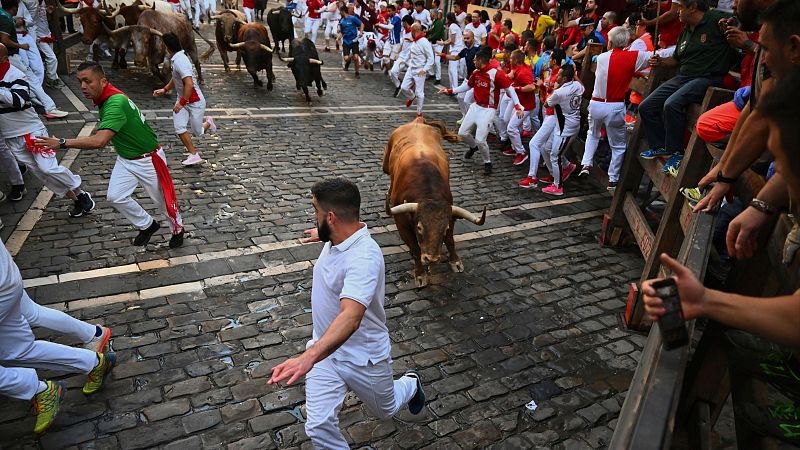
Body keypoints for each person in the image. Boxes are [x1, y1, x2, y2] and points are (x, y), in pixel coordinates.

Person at [268, 178, 426, 450]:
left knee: (385, 410)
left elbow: (351, 318)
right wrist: (324, 233)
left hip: (362, 359)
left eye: (316, 211)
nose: (314, 215)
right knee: (317, 426)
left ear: (330, 217)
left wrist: (309, 357)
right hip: (326, 352)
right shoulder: (339, 235)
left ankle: (411, 384)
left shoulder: (364, 258)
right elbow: (344, 236)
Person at [36, 61, 186, 248]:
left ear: (103, 81)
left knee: (163, 201)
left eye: (88, 81)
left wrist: (62, 143)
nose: (83, 87)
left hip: (148, 159)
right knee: (115, 197)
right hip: (126, 157)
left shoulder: (114, 103)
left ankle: (178, 230)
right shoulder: (108, 97)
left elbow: (100, 141)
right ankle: (147, 225)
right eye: (80, 81)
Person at [0, 240, 115, 434]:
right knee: (19, 346)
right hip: (5, 275)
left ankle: (38, 389)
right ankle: (94, 357)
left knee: (20, 341)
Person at [638, 0, 735, 177]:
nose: (678, 12)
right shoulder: (685, 31)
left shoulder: (715, 19)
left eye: (681, 7)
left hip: (707, 77)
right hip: (684, 76)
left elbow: (738, 21)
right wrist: (660, 62)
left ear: (692, 7)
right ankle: (659, 146)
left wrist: (731, 24)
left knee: (672, 104)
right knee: (646, 106)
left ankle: (676, 153)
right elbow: (676, 60)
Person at [0, 44, 95, 217]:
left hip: (31, 132)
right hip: (10, 136)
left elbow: (18, 100)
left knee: (48, 168)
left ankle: (79, 190)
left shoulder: (16, 75)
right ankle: (77, 199)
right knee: (42, 175)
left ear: (4, 59)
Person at [580, 26, 650, 190]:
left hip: (596, 103)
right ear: (626, 42)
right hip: (615, 106)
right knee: (617, 145)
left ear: (610, 42)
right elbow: (656, 56)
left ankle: (586, 163)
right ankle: (613, 178)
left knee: (592, 134)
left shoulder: (601, 57)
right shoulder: (632, 57)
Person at [438, 46, 524, 176]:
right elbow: (467, 86)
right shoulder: (476, 73)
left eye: (475, 60)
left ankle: (487, 162)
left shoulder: (496, 74)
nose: (473, 62)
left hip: (488, 110)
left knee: (480, 139)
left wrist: (517, 105)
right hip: (476, 106)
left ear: (481, 61)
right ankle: (473, 147)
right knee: (462, 133)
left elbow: (510, 88)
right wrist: (450, 90)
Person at [153, 33, 216, 167]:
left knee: (197, 132)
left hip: (195, 102)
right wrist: (165, 89)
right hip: (183, 100)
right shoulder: (176, 59)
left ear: (167, 46)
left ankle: (208, 122)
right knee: (179, 127)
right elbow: (176, 78)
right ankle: (194, 154)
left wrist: (181, 103)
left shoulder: (181, 61)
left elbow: (189, 84)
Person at [0, 0, 66, 118]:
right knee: (32, 80)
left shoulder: (2, 15)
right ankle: (49, 108)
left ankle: (33, 102)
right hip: (12, 56)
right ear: (14, 7)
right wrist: (20, 46)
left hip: (8, 56)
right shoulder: (5, 19)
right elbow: (4, 40)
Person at [499, 49, 536, 166]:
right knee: (506, 119)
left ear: (515, 60)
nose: (509, 60)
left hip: (525, 106)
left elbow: (531, 87)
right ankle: (514, 147)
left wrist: (516, 89)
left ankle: (521, 152)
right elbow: (510, 75)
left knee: (511, 127)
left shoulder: (524, 72)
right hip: (518, 102)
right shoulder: (517, 67)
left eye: (511, 58)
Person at [439, 30, 480, 116]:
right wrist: (444, 55)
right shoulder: (465, 50)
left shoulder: (477, 49)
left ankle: (471, 118)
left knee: (467, 100)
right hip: (468, 78)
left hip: (476, 80)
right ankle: (465, 116)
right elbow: (455, 57)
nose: (466, 40)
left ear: (473, 38)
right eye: (464, 38)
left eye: (468, 38)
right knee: (460, 97)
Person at [401, 22, 433, 117]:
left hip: (420, 70)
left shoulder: (424, 42)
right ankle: (411, 96)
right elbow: (410, 52)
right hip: (411, 68)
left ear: (414, 31)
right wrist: (404, 60)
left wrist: (425, 69)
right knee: (404, 87)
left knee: (419, 93)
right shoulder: (415, 41)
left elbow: (431, 58)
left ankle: (419, 113)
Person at [389, 14, 414, 96]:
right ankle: (398, 86)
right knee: (393, 72)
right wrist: (397, 53)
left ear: (406, 22)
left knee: (415, 74)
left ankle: (416, 91)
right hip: (402, 56)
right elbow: (402, 43)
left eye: (403, 22)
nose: (402, 24)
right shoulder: (403, 31)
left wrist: (413, 39)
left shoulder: (414, 31)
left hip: (411, 57)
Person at [339, 5, 364, 77]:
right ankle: (349, 59)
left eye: (340, 12)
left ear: (343, 11)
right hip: (346, 42)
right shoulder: (342, 21)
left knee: (356, 58)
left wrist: (361, 32)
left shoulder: (352, 18)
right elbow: (342, 32)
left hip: (354, 41)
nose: (339, 13)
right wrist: (338, 37)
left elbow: (361, 24)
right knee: (346, 58)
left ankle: (357, 73)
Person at [442, 12, 464, 91]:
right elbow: (451, 39)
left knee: (453, 70)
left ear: (448, 19)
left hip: (456, 50)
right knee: (451, 70)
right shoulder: (454, 26)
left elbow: (453, 41)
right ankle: (452, 88)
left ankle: (454, 89)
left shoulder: (452, 26)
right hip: (456, 49)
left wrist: (444, 43)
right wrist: (444, 42)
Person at [426, 8, 444, 85]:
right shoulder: (435, 22)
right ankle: (432, 74)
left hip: (438, 44)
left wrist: (427, 38)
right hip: (433, 43)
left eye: (430, 14)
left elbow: (436, 34)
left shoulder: (439, 23)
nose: (429, 15)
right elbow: (431, 31)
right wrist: (426, 34)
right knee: (430, 59)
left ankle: (438, 78)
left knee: (437, 61)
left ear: (433, 15)